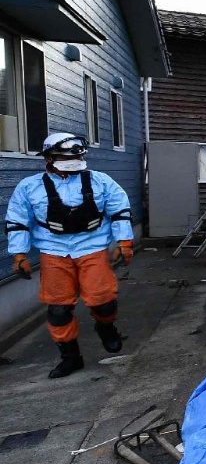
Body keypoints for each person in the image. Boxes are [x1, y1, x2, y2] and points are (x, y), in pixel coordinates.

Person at [5, 133, 134, 378]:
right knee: (58, 310)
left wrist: (125, 242)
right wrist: (19, 254)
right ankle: (70, 357)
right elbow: (18, 220)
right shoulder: (29, 187)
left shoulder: (100, 181)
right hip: (53, 252)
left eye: (78, 156)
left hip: (92, 247)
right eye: (66, 156)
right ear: (49, 157)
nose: (73, 161)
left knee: (104, 301)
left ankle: (106, 327)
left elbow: (119, 210)